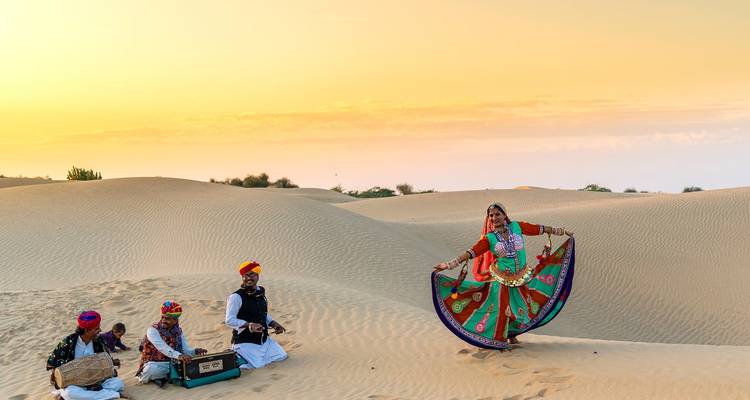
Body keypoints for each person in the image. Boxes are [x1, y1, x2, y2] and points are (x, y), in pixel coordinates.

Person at [432, 202, 575, 350]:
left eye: (497, 214)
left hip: (521, 277)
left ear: (505, 215)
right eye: (491, 215)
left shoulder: (517, 227)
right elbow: (471, 252)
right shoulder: (490, 238)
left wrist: (562, 231)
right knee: (502, 309)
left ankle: (512, 335)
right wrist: (449, 264)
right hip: (501, 279)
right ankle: (499, 341)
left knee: (521, 306)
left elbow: (539, 229)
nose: (494, 218)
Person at [46, 311, 127, 400]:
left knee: (118, 383)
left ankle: (94, 396)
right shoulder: (68, 342)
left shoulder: (98, 342)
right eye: (96, 329)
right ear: (86, 330)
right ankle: (113, 395)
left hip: (97, 382)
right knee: (69, 393)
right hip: (76, 385)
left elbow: (105, 360)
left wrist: (112, 362)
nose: (99, 331)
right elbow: (52, 362)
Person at [225, 260, 287, 369]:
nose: (249, 278)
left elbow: (262, 314)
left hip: (263, 340)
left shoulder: (260, 294)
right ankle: (235, 355)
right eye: (245, 275)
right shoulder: (236, 297)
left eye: (252, 274)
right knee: (256, 366)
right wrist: (249, 325)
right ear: (242, 277)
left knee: (281, 356)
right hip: (245, 341)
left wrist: (273, 323)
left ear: (257, 276)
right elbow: (229, 320)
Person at [136, 300, 207, 387]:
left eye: (167, 318)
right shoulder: (152, 330)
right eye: (163, 317)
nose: (163, 320)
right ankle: (170, 375)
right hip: (155, 363)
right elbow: (163, 348)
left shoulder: (178, 331)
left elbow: (185, 350)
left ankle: (167, 376)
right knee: (151, 370)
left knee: (191, 361)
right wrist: (179, 356)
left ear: (175, 320)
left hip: (172, 362)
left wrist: (194, 352)